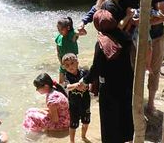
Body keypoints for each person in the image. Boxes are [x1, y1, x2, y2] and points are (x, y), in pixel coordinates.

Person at [71, 10, 134, 143]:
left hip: (109, 87)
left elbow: (96, 67)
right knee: (124, 116)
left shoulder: (102, 43)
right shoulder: (126, 37)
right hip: (127, 84)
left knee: (109, 121)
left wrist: (85, 81)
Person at [62, 53, 91, 143]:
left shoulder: (84, 72)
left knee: (86, 122)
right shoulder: (66, 75)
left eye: (72, 63)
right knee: (73, 124)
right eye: (67, 65)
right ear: (64, 67)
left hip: (85, 102)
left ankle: (83, 136)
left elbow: (90, 83)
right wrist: (77, 85)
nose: (70, 66)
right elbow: (67, 86)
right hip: (74, 104)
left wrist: (88, 86)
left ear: (77, 62)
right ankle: (72, 141)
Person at [56, 16, 80, 84]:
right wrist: (61, 63)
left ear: (68, 28)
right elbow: (58, 52)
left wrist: (78, 31)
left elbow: (80, 33)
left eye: (61, 29)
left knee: (75, 80)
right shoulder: (58, 37)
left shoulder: (71, 35)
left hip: (72, 62)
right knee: (61, 82)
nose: (59, 31)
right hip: (63, 63)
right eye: (58, 29)